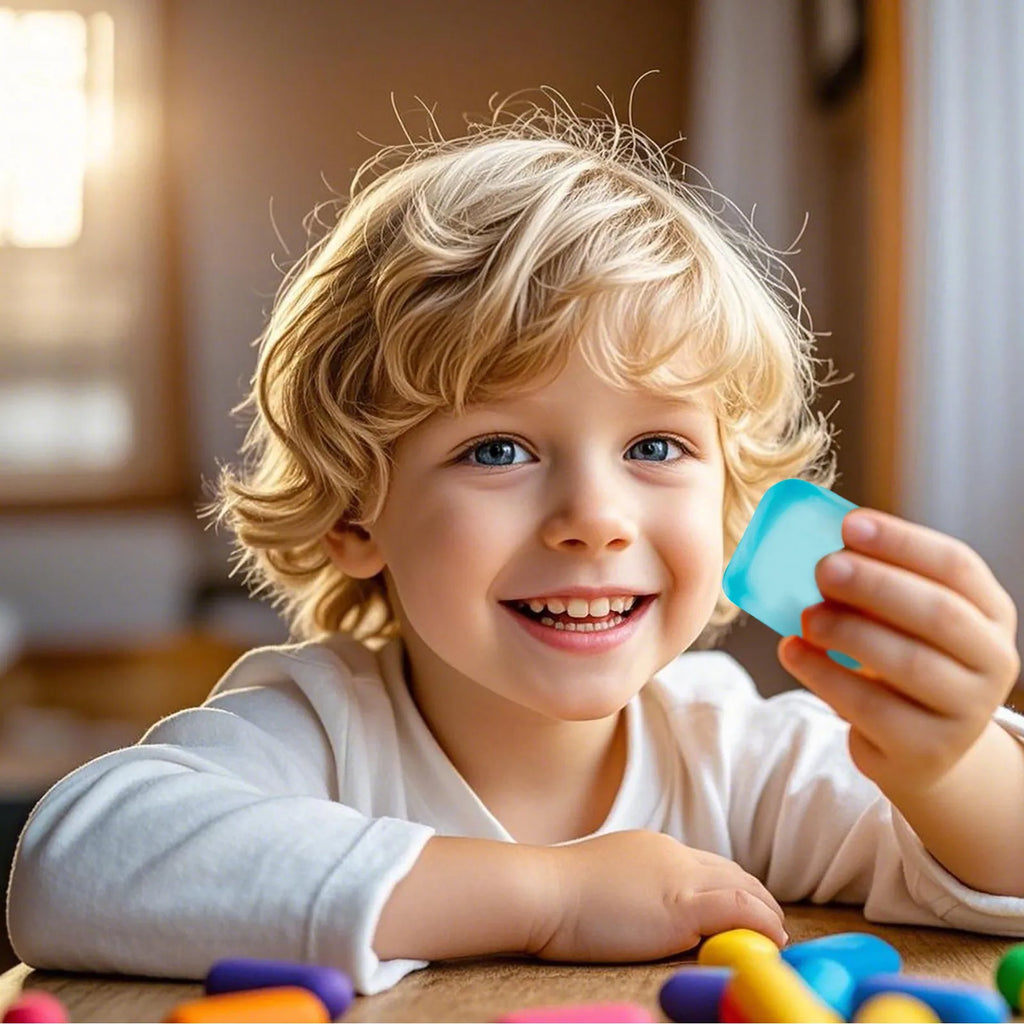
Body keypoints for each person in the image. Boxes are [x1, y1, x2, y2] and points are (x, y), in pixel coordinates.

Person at [7, 91, 1024, 997]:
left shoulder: (734, 753)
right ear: (357, 514)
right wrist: (548, 894)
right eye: (497, 447)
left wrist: (946, 758)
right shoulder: (317, 729)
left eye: (655, 444)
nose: (594, 514)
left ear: (732, 508)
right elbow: (74, 866)